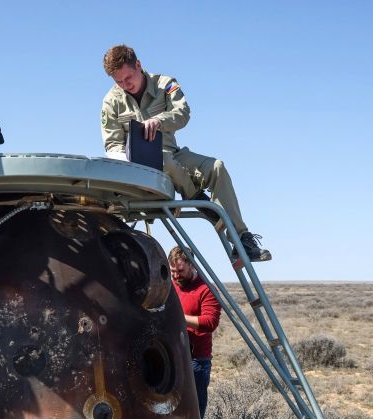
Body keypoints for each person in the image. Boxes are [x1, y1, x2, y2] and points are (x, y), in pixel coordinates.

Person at [101, 44, 271, 263]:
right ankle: (197, 199)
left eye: (128, 78)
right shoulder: (111, 102)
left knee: (216, 167)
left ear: (139, 65)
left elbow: (183, 114)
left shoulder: (165, 85)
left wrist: (159, 121)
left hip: (174, 154)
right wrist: (130, 158)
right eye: (119, 81)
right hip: (141, 169)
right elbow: (112, 146)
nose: (125, 85)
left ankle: (242, 240)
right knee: (162, 160)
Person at [169, 246, 221, 419]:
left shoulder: (207, 289)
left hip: (196, 361)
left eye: (180, 271)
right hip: (172, 357)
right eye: (172, 272)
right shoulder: (170, 286)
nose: (176, 276)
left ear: (192, 265)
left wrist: (177, 318)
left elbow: (210, 322)